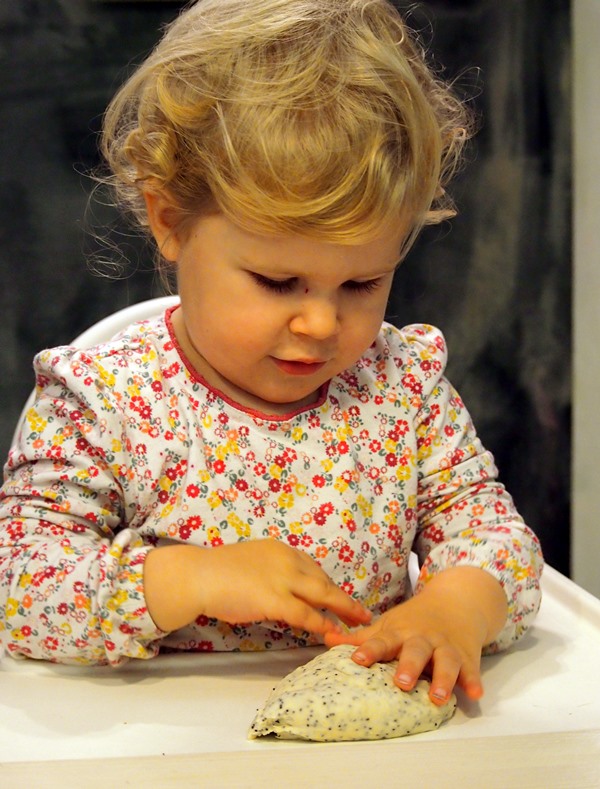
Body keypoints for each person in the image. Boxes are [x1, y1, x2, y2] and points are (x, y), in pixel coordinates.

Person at [0, 0, 542, 708]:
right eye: (278, 281)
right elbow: (20, 586)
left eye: (362, 283)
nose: (320, 323)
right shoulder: (101, 404)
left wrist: (458, 606)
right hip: (161, 745)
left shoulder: (401, 389)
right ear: (170, 220)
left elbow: (495, 535)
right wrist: (191, 578)